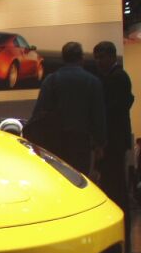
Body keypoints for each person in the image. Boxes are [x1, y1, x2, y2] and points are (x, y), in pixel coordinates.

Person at [28, 41, 106, 175]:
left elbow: (39, 113)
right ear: (81, 58)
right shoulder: (92, 81)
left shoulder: (51, 80)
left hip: (56, 141)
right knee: (81, 180)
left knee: (61, 179)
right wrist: (100, 143)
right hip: (81, 141)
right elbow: (98, 115)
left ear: (63, 58)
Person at [93, 40, 134, 245]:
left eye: (101, 57)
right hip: (117, 140)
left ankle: (120, 230)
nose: (99, 62)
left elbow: (112, 110)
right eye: (97, 58)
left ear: (111, 56)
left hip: (114, 141)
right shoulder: (116, 77)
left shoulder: (116, 78)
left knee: (116, 186)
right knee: (116, 185)